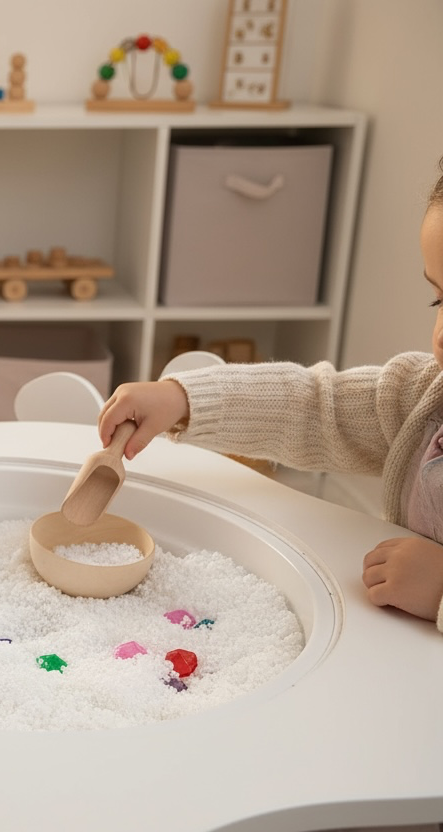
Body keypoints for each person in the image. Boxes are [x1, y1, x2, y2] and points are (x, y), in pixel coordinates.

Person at [98, 160, 443, 634]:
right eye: (439, 300)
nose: (440, 333)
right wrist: (184, 399)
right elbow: (316, 408)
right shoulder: (425, 396)